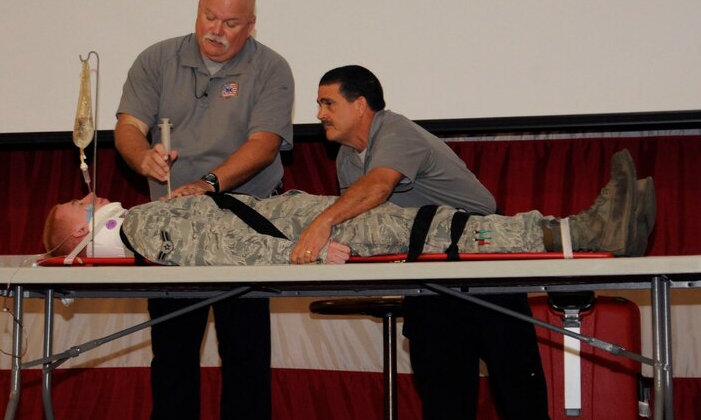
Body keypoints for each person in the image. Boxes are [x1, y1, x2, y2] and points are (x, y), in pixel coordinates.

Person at [291, 65, 649, 420]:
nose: (320, 113)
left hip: (481, 266)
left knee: (515, 378)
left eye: (328, 103)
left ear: (361, 105)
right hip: (429, 274)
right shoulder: (347, 157)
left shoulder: (396, 131)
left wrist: (321, 224)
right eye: (320, 104)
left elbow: (378, 189)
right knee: (441, 381)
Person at [111, 0, 294, 420]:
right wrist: (138, 153)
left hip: (243, 221)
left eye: (231, 23)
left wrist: (209, 184)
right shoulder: (157, 59)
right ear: (198, 10)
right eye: (210, 17)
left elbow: (264, 145)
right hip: (171, 227)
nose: (216, 30)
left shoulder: (271, 68)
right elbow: (128, 124)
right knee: (172, 352)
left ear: (251, 24)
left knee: (245, 350)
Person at [42, 151, 654, 265]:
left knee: (438, 227)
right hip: (305, 230)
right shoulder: (144, 230)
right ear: (80, 231)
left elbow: (222, 232)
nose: (91, 195)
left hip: (305, 218)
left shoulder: (147, 225)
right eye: (80, 201)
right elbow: (222, 249)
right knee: (437, 229)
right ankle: (584, 230)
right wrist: (299, 254)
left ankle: (587, 227)